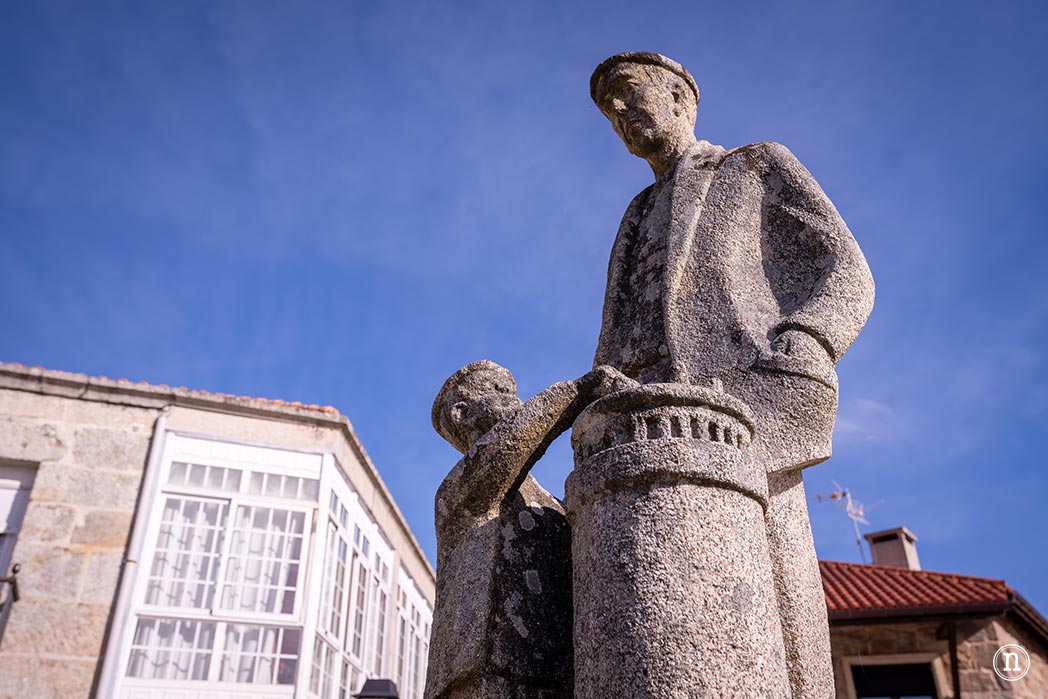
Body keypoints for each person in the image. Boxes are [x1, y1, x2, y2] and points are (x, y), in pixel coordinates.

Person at [589, 52, 875, 697]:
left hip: (741, 397)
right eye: (609, 111)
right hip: (639, 411)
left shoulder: (753, 166)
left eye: (630, 96)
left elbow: (845, 268)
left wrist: (808, 335)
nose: (620, 116)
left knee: (774, 586)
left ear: (681, 98)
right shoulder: (634, 214)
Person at [424, 360, 629, 699]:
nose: (515, 400)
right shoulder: (457, 489)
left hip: (557, 671)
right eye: (500, 391)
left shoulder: (546, 501)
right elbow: (511, 442)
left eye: (514, 392)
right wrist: (579, 390)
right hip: (485, 667)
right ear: (462, 412)